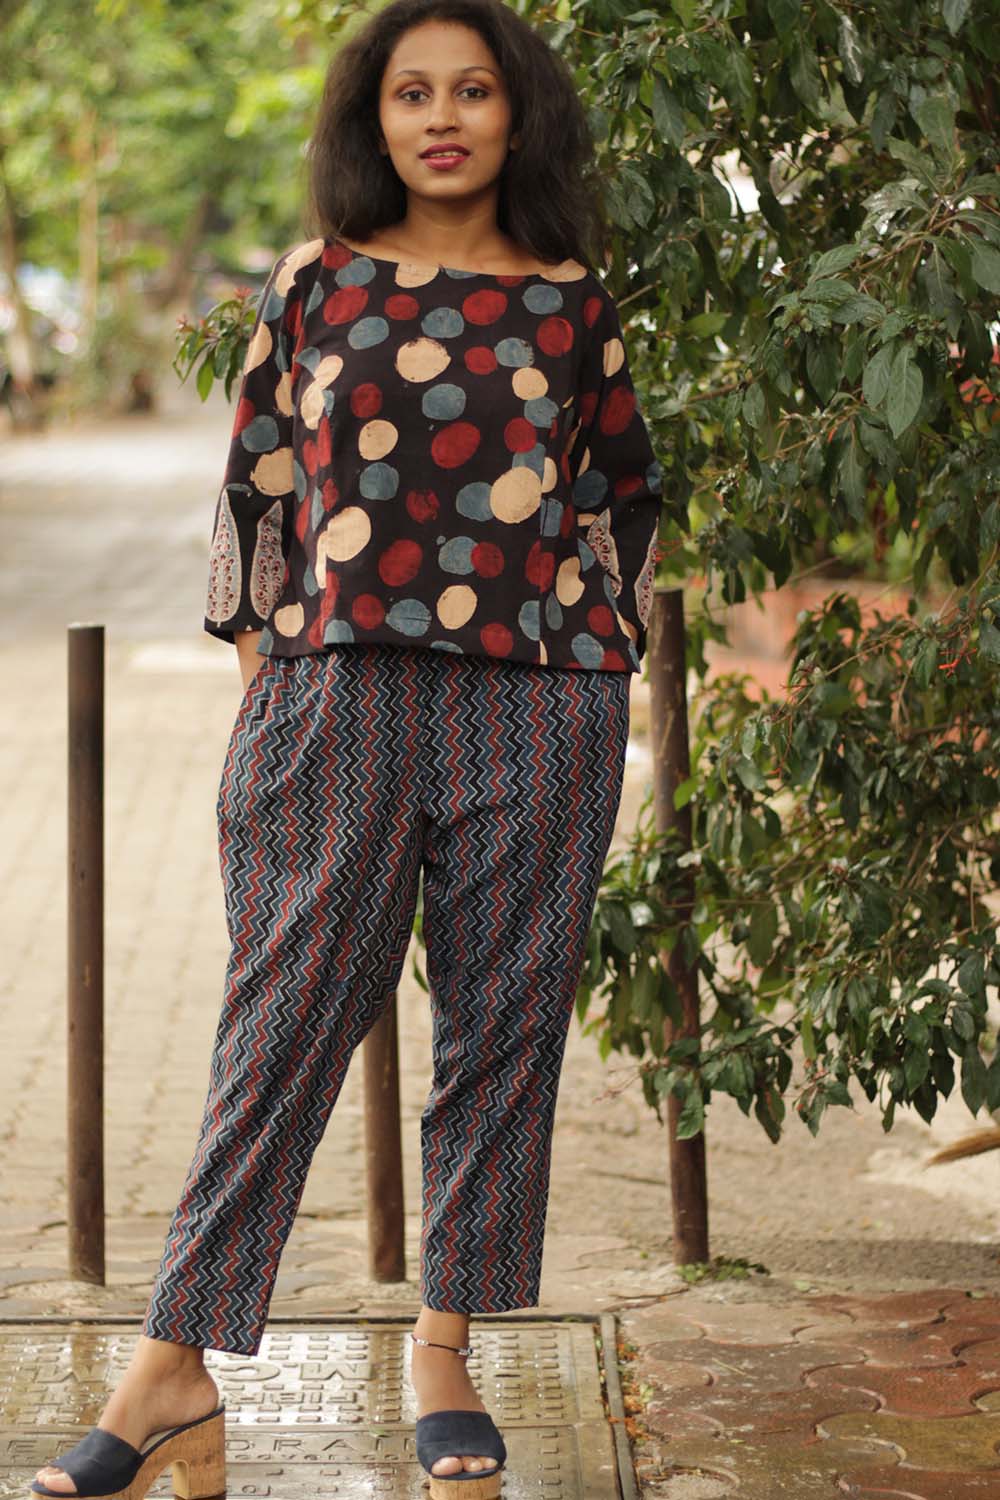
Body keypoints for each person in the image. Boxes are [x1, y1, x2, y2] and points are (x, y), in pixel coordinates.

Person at [30, 1, 662, 1496]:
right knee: (282, 1022)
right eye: (411, 93)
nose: (442, 118)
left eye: (473, 91)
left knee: (504, 1029)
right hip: (343, 693)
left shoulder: (573, 304)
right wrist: (270, 667)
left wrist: (604, 661)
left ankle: (448, 1346)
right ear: (374, 120)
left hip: (538, 699)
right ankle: (171, 1367)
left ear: (518, 115)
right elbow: (256, 482)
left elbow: (621, 497)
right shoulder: (316, 281)